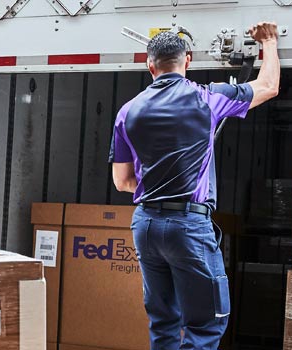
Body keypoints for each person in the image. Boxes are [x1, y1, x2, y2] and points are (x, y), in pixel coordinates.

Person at [109, 22, 280, 349]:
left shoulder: (127, 113)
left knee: (163, 321)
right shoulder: (207, 97)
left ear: (150, 66)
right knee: (205, 324)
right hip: (187, 225)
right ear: (187, 60)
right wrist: (269, 43)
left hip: (145, 225)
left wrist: (157, 186)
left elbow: (122, 181)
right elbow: (268, 86)